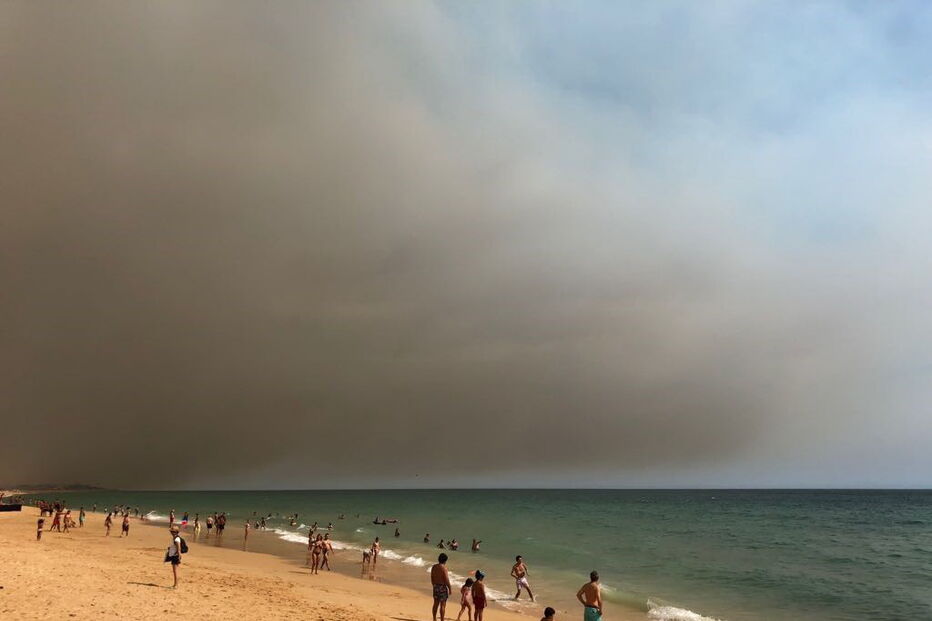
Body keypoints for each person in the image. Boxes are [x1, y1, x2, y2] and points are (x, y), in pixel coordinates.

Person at [430, 552, 452, 621]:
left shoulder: (434, 567)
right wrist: (450, 588)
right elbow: (446, 579)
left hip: (436, 586)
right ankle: (442, 620)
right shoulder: (444, 568)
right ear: (445, 560)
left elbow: (432, 577)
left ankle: (434, 619)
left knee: (435, 604)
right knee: (443, 605)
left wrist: (434, 585)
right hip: (442, 587)